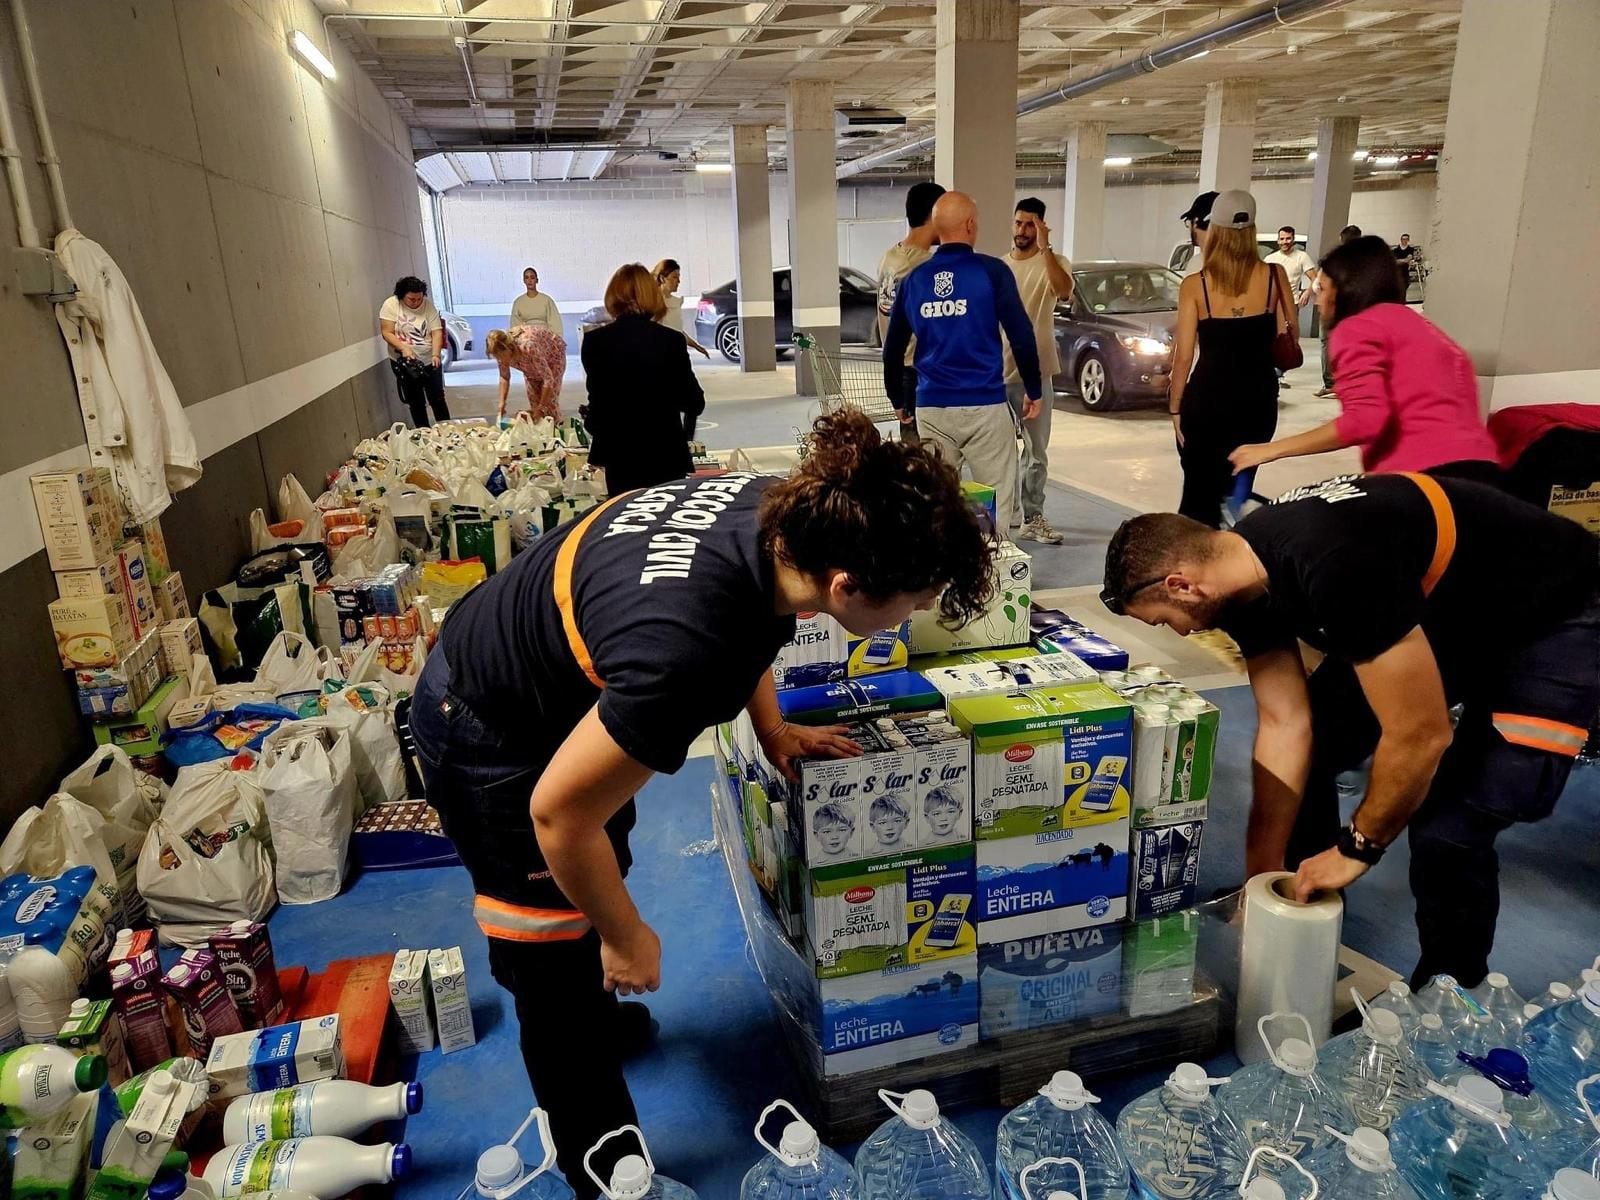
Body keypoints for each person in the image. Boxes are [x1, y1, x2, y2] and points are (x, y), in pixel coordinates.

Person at [410, 409, 993, 1195]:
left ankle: (594, 994)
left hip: (562, 670)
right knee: (550, 949)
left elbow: (754, 625)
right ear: (849, 585)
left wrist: (773, 725)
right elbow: (557, 816)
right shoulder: (685, 651)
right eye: (910, 604)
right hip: (487, 721)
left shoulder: (784, 515)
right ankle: (605, 1162)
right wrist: (624, 936)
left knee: (600, 852)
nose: (908, 619)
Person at [1101, 476, 1600, 988]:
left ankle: (1450, 987)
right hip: (1446, 613)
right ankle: (1298, 902)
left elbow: (1421, 735)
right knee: (1320, 741)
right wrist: (1262, 877)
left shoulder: (1332, 559)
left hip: (1552, 617)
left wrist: (1357, 848)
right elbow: (1285, 725)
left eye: (1165, 621)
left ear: (1181, 585)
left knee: (1451, 825)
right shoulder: (1246, 579)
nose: (1182, 634)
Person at [1230, 236, 1499, 483]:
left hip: (1424, 478)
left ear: (1344, 289)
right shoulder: (1422, 327)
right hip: (1482, 475)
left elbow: (1366, 419)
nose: (1318, 301)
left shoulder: (1356, 328)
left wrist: (1270, 450)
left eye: (1322, 289)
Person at [881, 191, 1042, 537]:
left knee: (938, 500)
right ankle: (987, 578)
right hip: (984, 406)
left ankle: (941, 580)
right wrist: (1034, 388)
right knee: (991, 497)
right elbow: (1021, 334)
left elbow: (892, 348)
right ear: (970, 225)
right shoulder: (992, 271)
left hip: (933, 408)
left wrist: (898, 399)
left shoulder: (914, 281)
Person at [1166, 189, 1295, 528]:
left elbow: (1184, 357)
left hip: (1208, 403)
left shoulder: (1196, 286)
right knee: (1236, 493)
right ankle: (1234, 560)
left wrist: (1175, 408)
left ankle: (1196, 564)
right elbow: (1288, 334)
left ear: (1216, 230)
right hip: (1258, 402)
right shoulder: (1274, 277)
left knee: (1197, 498)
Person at [579, 264, 705, 496]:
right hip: (665, 454)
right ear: (651, 296)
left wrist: (592, 422)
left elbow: (598, 405)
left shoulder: (594, 343)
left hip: (619, 457)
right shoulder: (671, 341)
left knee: (626, 523)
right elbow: (694, 402)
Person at [1002, 197, 1074, 545]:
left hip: (1037, 374)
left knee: (1036, 453)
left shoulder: (1055, 263)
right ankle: (1003, 517)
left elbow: (1063, 291)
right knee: (998, 452)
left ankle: (1033, 517)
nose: (1022, 230)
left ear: (1042, 227)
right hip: (997, 373)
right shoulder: (999, 268)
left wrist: (1046, 248)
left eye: (1030, 224)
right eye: (1018, 223)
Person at [876, 181, 947, 444]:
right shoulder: (924, 266)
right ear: (933, 216)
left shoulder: (890, 257)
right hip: (918, 374)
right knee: (929, 462)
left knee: (915, 460)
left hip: (901, 371)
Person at [379, 276, 449, 427]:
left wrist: (436, 354)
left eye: (419, 298)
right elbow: (387, 332)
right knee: (416, 402)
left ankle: (447, 431)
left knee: (437, 398)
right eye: (411, 299)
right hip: (406, 363)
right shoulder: (391, 305)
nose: (416, 302)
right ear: (402, 295)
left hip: (429, 360)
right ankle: (423, 433)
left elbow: (437, 332)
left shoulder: (428, 306)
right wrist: (404, 348)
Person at [1264, 225, 1318, 386]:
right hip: (1271, 305)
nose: (1285, 242)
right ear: (1277, 240)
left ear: (1293, 239)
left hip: (1290, 305)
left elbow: (1315, 278)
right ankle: (1273, 373)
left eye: (1288, 238)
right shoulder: (1270, 259)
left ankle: (1279, 372)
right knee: (1269, 338)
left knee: (1287, 339)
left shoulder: (1302, 257)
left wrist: (1307, 293)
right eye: (1282, 239)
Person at [1315, 224, 1363, 398]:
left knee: (1328, 343)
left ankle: (1331, 384)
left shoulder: (1335, 259)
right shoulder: (1364, 262)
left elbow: (1320, 283)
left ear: (1341, 239)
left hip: (1336, 308)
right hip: (1354, 308)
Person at [486, 324, 567, 423]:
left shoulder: (528, 346)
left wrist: (541, 407)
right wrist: (502, 402)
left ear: (509, 348)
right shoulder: (501, 355)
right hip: (530, 365)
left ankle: (556, 428)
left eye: (501, 355)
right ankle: (539, 430)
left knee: (549, 403)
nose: (500, 360)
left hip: (552, 356)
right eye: (496, 356)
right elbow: (504, 377)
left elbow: (548, 379)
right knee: (534, 401)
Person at [651, 259, 710, 360]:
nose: (678, 281)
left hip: (678, 353)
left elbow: (678, 331)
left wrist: (696, 346)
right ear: (662, 278)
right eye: (674, 277)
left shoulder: (675, 302)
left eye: (678, 277)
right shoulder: (652, 304)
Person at [1177, 191, 1217, 277]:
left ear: (1195, 222)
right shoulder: (1242, 262)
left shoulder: (1197, 264)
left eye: (1188, 222)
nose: (1189, 227)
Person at [510, 266, 562, 332]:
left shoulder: (546, 300)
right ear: (524, 281)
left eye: (532, 277)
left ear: (536, 280)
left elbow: (555, 324)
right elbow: (515, 327)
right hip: (526, 338)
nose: (529, 280)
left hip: (545, 337)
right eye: (527, 278)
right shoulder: (518, 302)